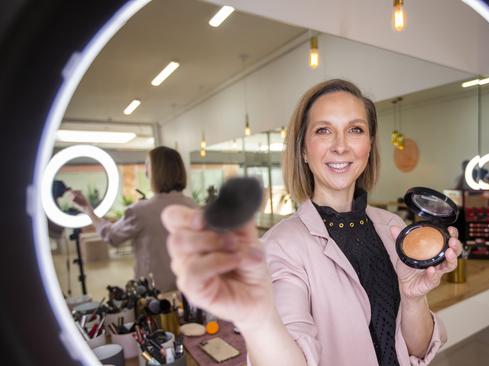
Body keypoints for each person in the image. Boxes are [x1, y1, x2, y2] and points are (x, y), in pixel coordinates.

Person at [162, 79, 462, 365]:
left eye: (355, 130)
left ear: (369, 145)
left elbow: (418, 350)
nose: (341, 146)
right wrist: (259, 319)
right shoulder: (282, 245)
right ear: (304, 149)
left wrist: (413, 298)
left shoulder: (392, 227)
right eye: (323, 131)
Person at [72, 146, 197, 292]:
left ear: (155, 172)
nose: (145, 172)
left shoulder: (140, 210)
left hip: (155, 295)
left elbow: (111, 236)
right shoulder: (192, 206)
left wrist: (88, 209)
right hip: (188, 289)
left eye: (147, 166)